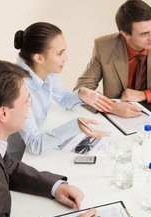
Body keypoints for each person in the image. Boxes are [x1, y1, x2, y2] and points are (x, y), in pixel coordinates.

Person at [0, 60, 98, 217]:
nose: (30, 105)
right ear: (3, 113)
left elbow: (4, 164)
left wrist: (54, 187)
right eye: (26, 100)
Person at [7, 22, 110, 161]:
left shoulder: (44, 69)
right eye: (60, 53)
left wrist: (80, 94)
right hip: (19, 159)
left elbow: (63, 99)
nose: (66, 58)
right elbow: (35, 145)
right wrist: (76, 126)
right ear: (39, 58)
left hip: (39, 140)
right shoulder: (19, 89)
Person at [73, 0, 151, 118]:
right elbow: (81, 91)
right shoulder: (104, 46)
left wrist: (144, 95)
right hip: (118, 116)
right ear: (125, 34)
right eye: (144, 33)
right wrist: (112, 107)